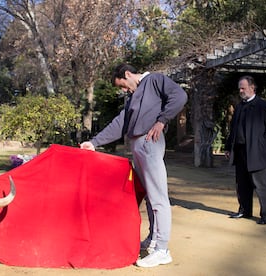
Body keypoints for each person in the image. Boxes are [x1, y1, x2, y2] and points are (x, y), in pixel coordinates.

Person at [80, 63, 188, 268]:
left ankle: (163, 250)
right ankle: (154, 239)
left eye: (122, 85)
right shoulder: (133, 96)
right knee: (148, 196)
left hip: (150, 142)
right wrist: (94, 143)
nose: (123, 90)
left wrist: (161, 121)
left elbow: (180, 96)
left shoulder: (154, 80)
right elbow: (120, 124)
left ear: (128, 74)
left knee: (158, 197)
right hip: (137, 145)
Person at [224, 76, 266, 225]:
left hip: (256, 152)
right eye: (240, 88)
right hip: (240, 151)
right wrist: (229, 147)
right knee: (242, 184)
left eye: (243, 88)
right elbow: (233, 130)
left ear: (252, 87)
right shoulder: (240, 106)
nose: (241, 91)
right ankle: (244, 211)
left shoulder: (262, 106)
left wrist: (262, 143)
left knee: (261, 185)